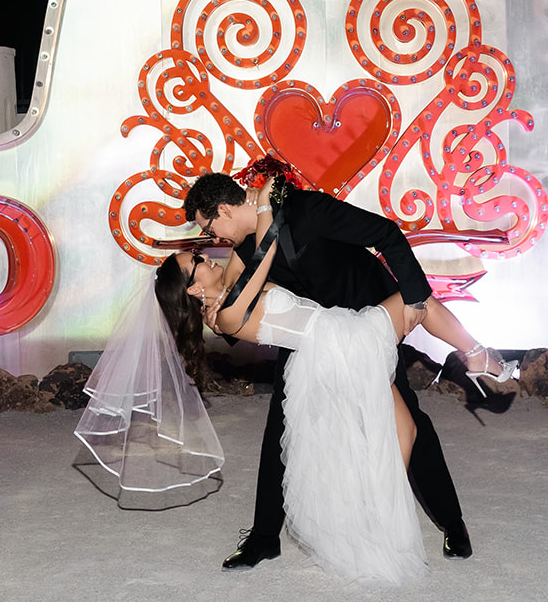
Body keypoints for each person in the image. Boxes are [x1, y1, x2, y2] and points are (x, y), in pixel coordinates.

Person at [182, 165, 515, 571]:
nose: (214, 240)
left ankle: (452, 523)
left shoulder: (309, 210)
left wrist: (411, 299)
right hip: (311, 336)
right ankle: (264, 538)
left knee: (408, 420)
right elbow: (233, 302)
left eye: (210, 228)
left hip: (366, 321)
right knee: (280, 430)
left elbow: (387, 234)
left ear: (223, 210)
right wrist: (209, 307)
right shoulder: (244, 246)